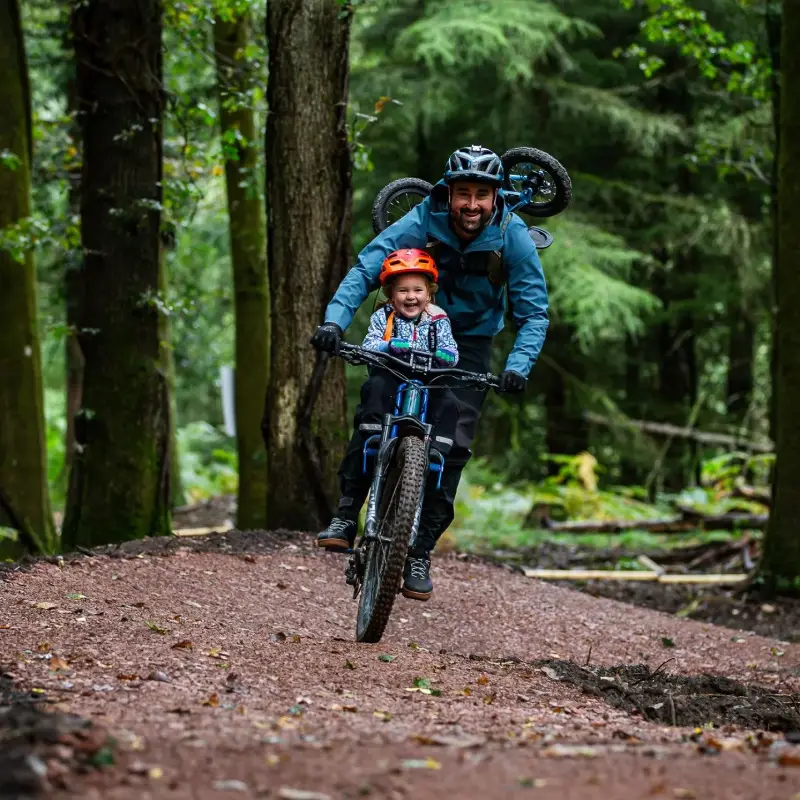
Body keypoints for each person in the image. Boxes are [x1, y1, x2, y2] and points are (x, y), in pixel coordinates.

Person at [312, 144, 549, 600]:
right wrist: (333, 323)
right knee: (373, 414)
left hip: (471, 347)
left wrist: (518, 367)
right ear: (449, 192)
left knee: (450, 447)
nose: (472, 205)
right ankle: (346, 513)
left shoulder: (512, 234)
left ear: (495, 196)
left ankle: (418, 551)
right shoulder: (424, 217)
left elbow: (533, 313)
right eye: (464, 193)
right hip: (409, 330)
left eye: (482, 194)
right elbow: (367, 267)